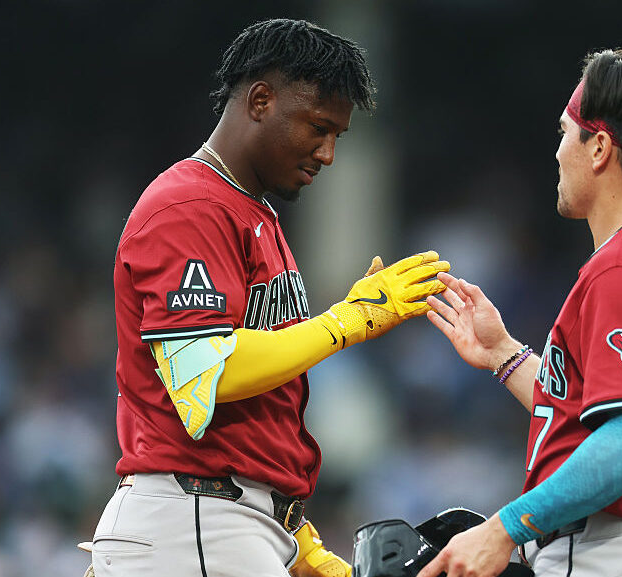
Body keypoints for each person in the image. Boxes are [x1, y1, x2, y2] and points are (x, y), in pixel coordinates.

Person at [87, 19, 449, 577]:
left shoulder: (251, 211)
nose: (328, 153)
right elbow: (206, 376)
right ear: (261, 100)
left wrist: (295, 534)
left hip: (224, 522)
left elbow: (261, 411)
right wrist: (347, 321)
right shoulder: (189, 206)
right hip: (196, 523)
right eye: (318, 127)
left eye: (337, 136)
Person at [419, 49, 622, 577]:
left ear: (600, 146)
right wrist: (503, 354)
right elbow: (591, 409)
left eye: (565, 132)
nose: (558, 151)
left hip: (620, 553)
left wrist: (504, 527)